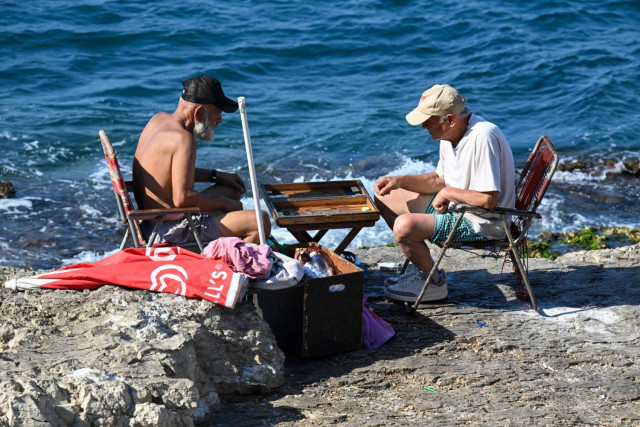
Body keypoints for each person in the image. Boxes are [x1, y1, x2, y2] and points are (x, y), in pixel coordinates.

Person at [374, 84, 515, 303]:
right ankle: (425, 268)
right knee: (385, 196)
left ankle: (433, 284)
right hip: (459, 209)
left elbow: (488, 200)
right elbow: (439, 180)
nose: (423, 126)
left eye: (428, 120)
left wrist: (448, 193)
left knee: (404, 227)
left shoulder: (483, 136)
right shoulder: (450, 135)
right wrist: (399, 181)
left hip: (483, 222)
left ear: (449, 119)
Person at [132, 73, 271, 245]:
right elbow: (183, 199)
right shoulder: (183, 138)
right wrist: (224, 204)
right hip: (169, 230)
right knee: (260, 221)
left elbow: (167, 174)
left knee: (232, 190)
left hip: (151, 222)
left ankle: (226, 234)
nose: (219, 120)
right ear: (198, 112)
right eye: (217, 113)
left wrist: (216, 176)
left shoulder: (158, 120)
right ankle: (238, 265)